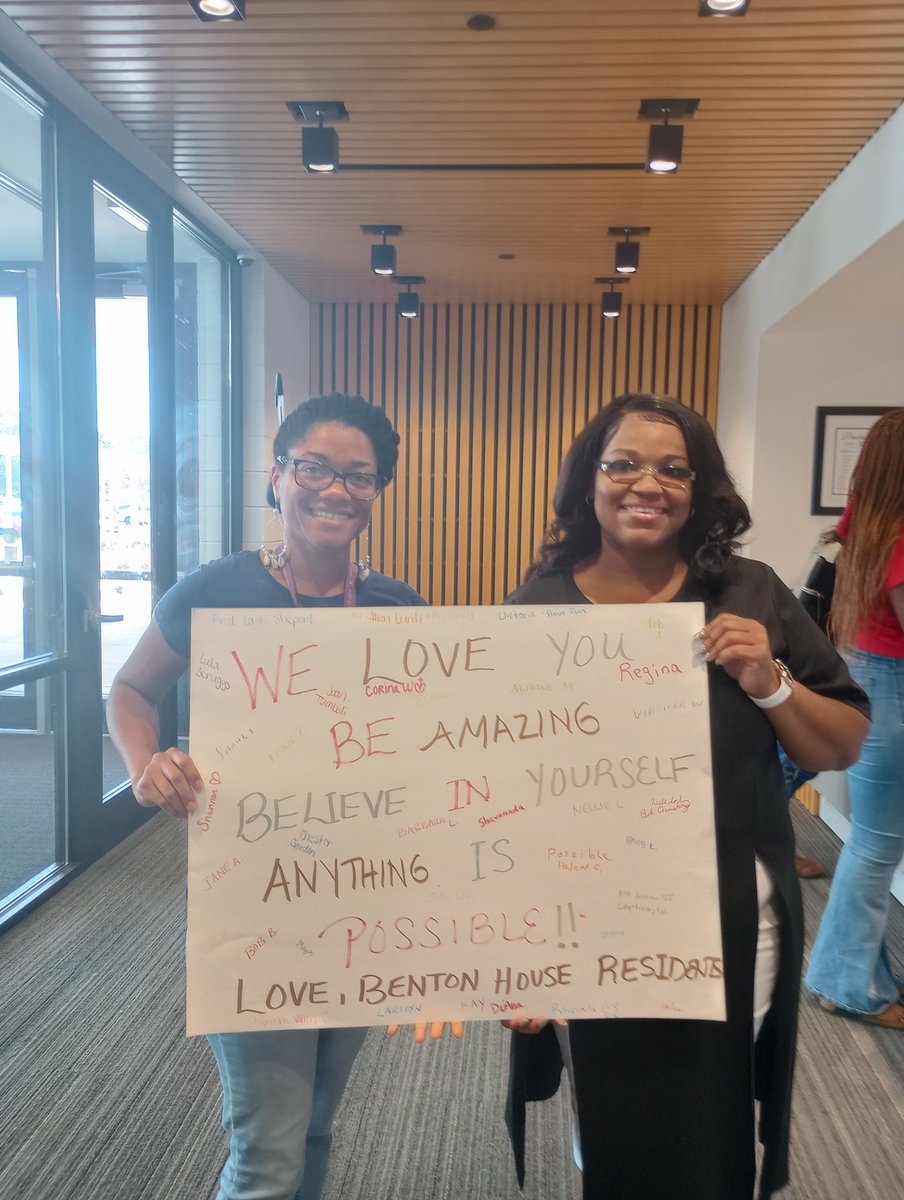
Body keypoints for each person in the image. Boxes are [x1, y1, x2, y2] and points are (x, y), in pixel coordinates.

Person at [503, 392, 869, 1200]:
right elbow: (499, 795)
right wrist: (515, 947)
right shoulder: (537, 609)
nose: (649, 484)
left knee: (709, 1108)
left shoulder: (749, 593)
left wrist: (770, 682)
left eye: (674, 469)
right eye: (624, 464)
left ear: (699, 488)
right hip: (587, 915)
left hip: (729, 913)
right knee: (613, 1115)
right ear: (590, 480)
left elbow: (841, 742)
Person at [106, 392, 426, 1200]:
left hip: (360, 903)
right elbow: (132, 691)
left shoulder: (398, 610)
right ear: (277, 477)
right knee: (268, 1154)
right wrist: (147, 765)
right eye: (314, 468)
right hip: (251, 907)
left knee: (314, 1123)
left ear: (377, 492)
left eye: (359, 476)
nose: (335, 490)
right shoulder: (215, 591)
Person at [805, 409, 904, 1030]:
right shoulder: (901, 536)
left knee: (873, 844)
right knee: (876, 847)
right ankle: (845, 984)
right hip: (893, 689)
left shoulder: (860, 523)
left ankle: (859, 975)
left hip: (870, 677)